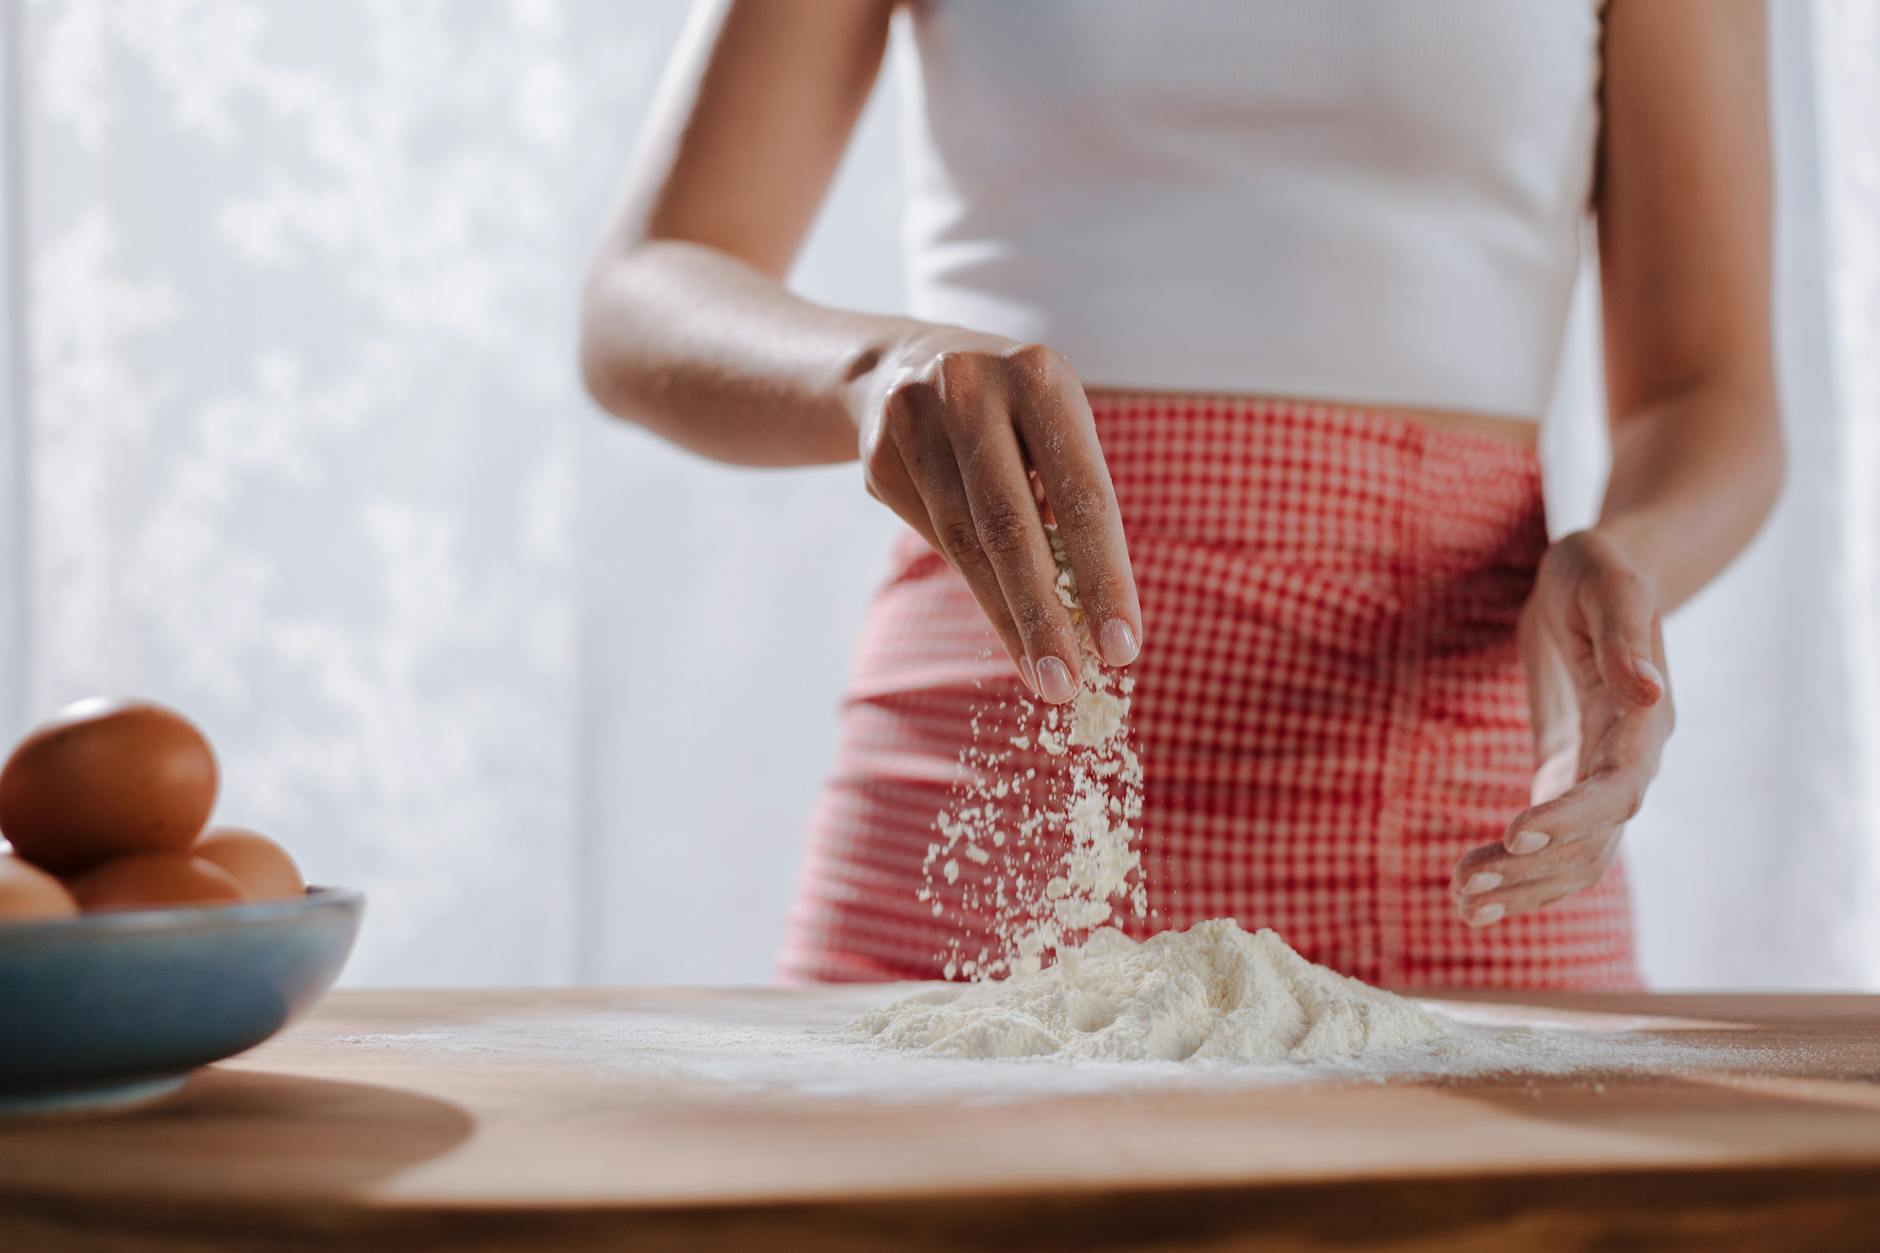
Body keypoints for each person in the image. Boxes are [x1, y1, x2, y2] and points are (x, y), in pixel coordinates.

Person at [580, 0, 1781, 988]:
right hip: (988, 767)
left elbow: (1706, 390)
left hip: (1462, 809)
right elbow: (643, 292)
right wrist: (870, 373)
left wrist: (1627, 557)